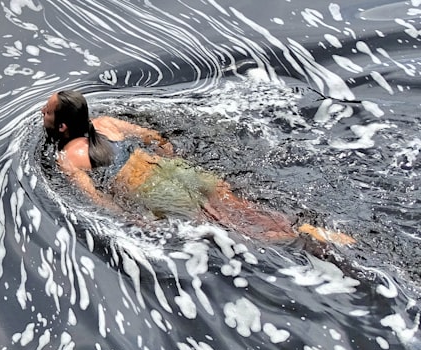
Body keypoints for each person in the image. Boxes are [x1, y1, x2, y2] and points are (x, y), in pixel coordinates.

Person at [41, 90, 355, 246]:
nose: (43, 114)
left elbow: (95, 200)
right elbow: (155, 137)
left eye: (47, 112)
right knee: (240, 207)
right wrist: (169, 159)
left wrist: (132, 220)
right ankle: (312, 231)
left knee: (231, 226)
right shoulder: (107, 123)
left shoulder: (68, 158)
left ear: (64, 126)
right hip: (174, 169)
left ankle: (302, 240)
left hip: (152, 190)